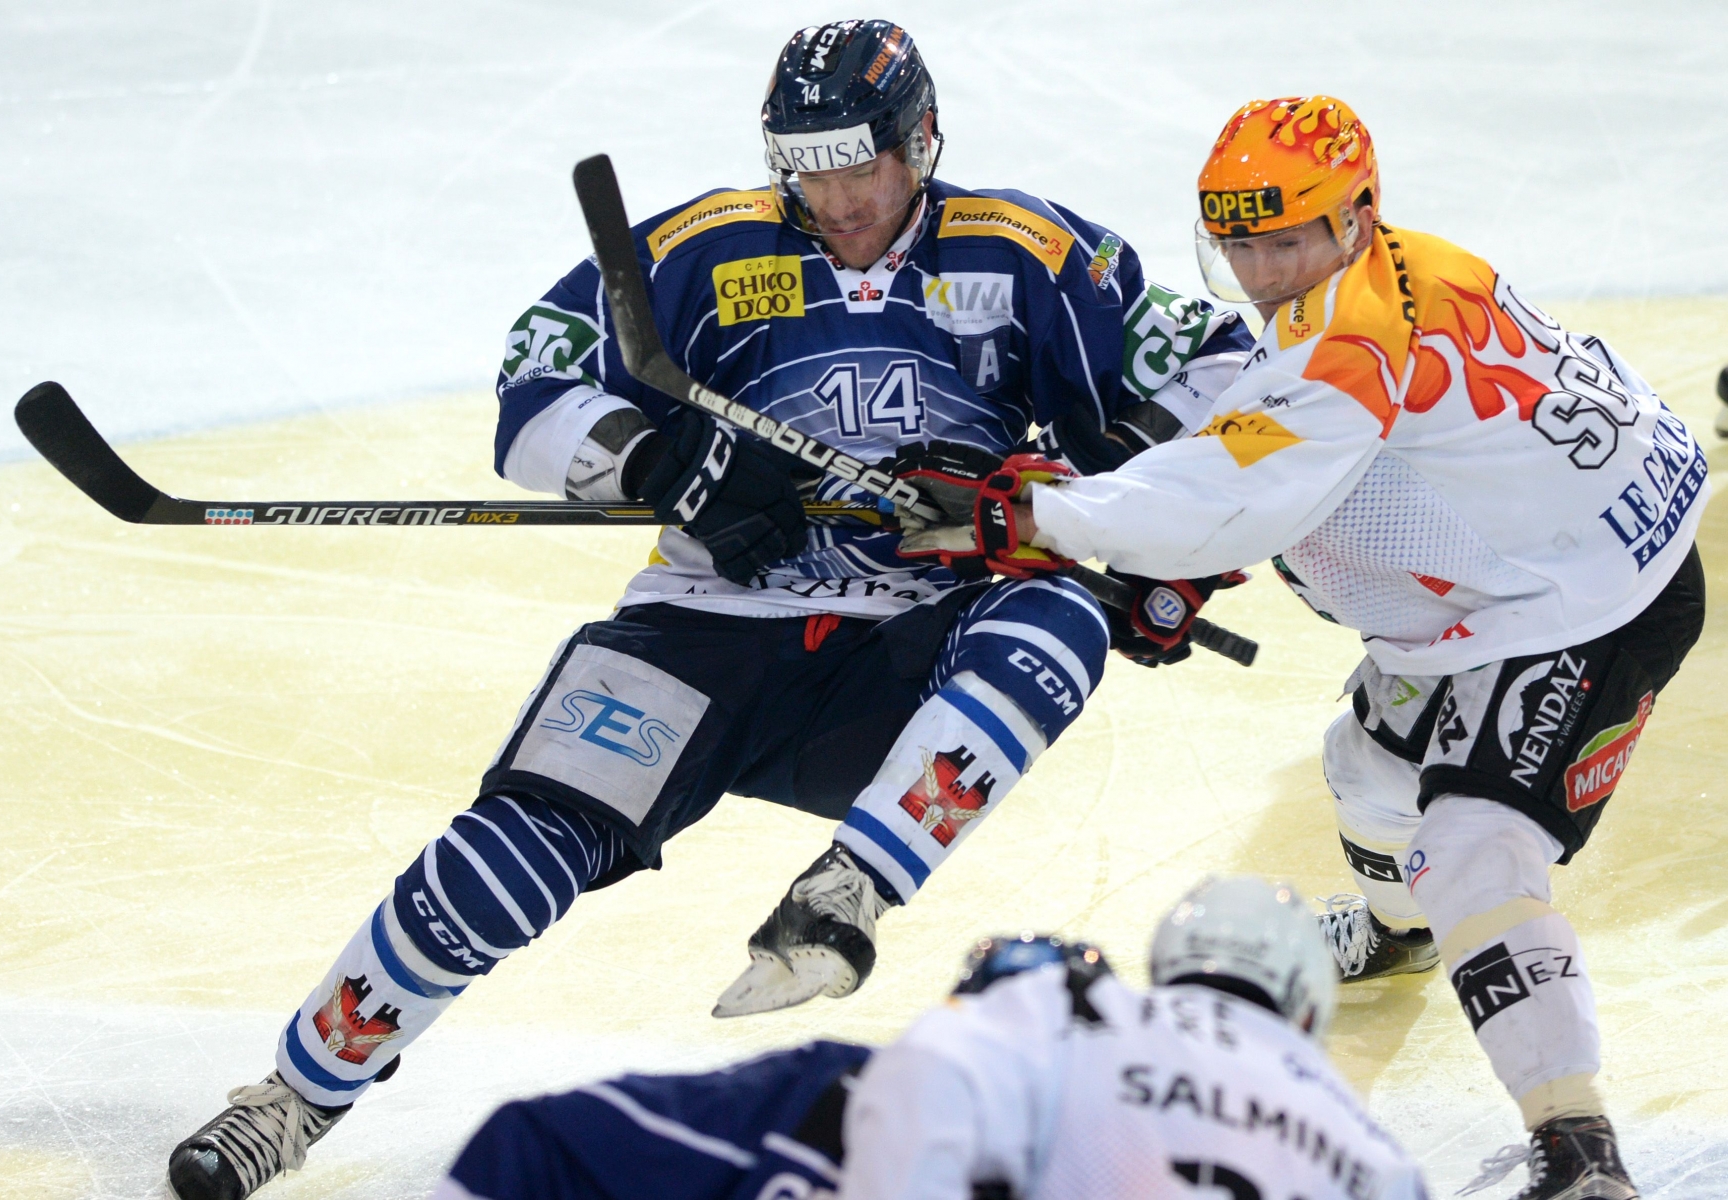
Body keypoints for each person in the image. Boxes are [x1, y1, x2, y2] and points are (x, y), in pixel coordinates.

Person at [165, 19, 1252, 1200]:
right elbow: (534, 382)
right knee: (506, 859)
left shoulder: (1028, 251)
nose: (831, 194)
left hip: (911, 648)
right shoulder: (707, 244)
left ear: (919, 139)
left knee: (1058, 618)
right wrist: (650, 461)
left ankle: (848, 893)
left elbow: (1223, 372)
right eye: (805, 162)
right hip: (706, 623)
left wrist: (1092, 503)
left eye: (856, 161)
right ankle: (287, 1100)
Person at [938, 96, 1704, 1198]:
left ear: (1353, 216)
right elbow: (1318, 470)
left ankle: (1578, 1148)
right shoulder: (1383, 275)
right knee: (1364, 772)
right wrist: (1183, 559)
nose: (1258, 273)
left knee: (1473, 843)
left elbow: (1243, 485)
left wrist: (1042, 515)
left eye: (1281, 240)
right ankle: (1401, 933)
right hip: (1524, 574)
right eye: (1236, 244)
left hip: (1589, 605)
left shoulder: (1348, 332)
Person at [428, 877, 1427, 1200]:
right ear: (1308, 1009)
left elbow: (930, 1082)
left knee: (539, 1146)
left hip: (891, 1157)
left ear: (1170, 961)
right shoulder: (1379, 1161)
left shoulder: (1083, 1000)